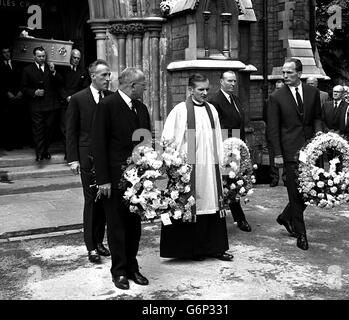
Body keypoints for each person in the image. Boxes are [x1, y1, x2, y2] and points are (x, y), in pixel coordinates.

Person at [160, 73, 233, 262]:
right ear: (190, 90)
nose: (205, 93)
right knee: (191, 203)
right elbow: (168, 138)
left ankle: (215, 248)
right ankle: (193, 249)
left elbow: (218, 137)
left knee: (212, 204)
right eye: (201, 90)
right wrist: (174, 163)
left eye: (207, 89)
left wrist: (221, 161)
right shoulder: (180, 110)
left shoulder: (212, 110)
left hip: (209, 166)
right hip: (189, 166)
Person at [92, 67, 151, 290]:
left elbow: (145, 144)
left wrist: (149, 174)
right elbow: (98, 144)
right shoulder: (107, 106)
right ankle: (119, 271)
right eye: (143, 84)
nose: (145, 88)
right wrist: (103, 180)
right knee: (116, 225)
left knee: (134, 225)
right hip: (114, 179)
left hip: (138, 179)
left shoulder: (142, 108)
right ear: (132, 85)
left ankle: (132, 267)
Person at [267, 58, 323, 251]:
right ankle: (301, 234)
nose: (285, 76)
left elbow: (317, 117)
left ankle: (285, 217)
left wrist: (318, 134)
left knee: (310, 190)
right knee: (294, 192)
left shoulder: (312, 92)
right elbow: (273, 129)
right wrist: (277, 155)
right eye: (283, 73)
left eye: (289, 73)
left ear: (299, 73)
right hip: (289, 152)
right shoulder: (276, 97)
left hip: (310, 150)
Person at [66, 59, 112, 263]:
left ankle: (100, 242)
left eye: (109, 75)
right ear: (93, 76)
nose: (108, 79)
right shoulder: (78, 99)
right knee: (91, 201)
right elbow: (71, 131)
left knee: (104, 201)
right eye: (104, 75)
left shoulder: (111, 98)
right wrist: (73, 159)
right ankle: (91, 247)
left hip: (108, 158)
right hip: (87, 157)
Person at [209, 70, 251, 232]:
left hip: (236, 146)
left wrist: (242, 146)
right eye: (229, 81)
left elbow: (239, 124)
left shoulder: (235, 99)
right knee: (226, 183)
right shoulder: (215, 101)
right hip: (224, 148)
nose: (233, 84)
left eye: (234, 81)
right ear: (221, 82)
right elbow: (215, 128)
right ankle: (236, 218)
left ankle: (237, 217)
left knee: (234, 182)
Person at [21, 46, 62, 161]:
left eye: (43, 56)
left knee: (48, 129)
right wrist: (34, 92)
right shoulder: (27, 70)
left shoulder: (50, 67)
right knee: (38, 130)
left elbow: (60, 82)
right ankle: (39, 153)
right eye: (39, 56)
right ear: (34, 56)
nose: (42, 58)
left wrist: (54, 72)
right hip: (36, 106)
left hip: (51, 105)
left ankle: (45, 151)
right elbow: (23, 88)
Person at [59, 49, 90, 159]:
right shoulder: (63, 70)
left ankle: (75, 153)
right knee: (66, 129)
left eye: (78, 58)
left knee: (77, 128)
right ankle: (68, 153)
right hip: (65, 103)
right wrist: (66, 96)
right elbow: (59, 85)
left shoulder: (83, 72)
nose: (76, 60)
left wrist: (75, 97)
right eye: (74, 58)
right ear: (70, 58)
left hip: (77, 102)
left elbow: (85, 86)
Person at [0, 46, 25, 150]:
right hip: (6, 98)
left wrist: (21, 91)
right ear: (1, 54)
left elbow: (22, 79)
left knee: (18, 120)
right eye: (4, 52)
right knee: (7, 122)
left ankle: (18, 143)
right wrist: (7, 93)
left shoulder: (16, 64)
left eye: (8, 52)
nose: (7, 54)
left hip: (18, 96)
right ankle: (7, 145)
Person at [267, 80, 286, 187]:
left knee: (286, 155)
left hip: (285, 132)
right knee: (273, 155)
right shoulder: (270, 99)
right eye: (277, 88)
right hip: (273, 132)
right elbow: (266, 116)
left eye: (281, 88)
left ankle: (285, 177)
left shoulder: (288, 100)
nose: (279, 90)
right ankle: (274, 178)